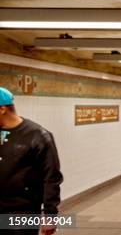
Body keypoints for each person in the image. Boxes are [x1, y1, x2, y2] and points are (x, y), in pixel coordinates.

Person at [0, 87, 63, 235]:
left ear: (2, 109)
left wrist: (49, 215)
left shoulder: (39, 136)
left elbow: (51, 178)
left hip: (22, 213)